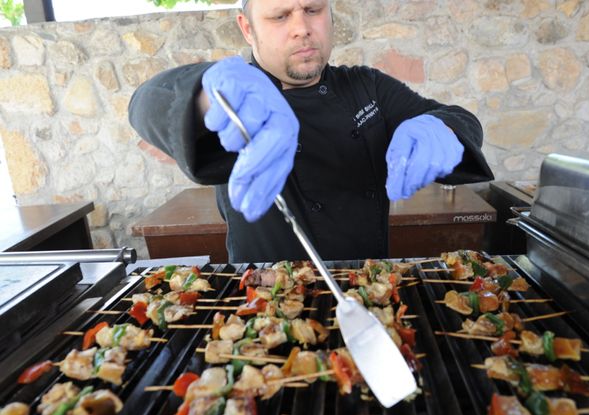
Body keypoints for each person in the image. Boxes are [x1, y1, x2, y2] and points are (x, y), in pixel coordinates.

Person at [128, 0, 493, 263]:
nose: (302, 27)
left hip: (366, 288)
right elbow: (145, 105)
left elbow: (459, 119)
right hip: (265, 297)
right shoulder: (235, 95)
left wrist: (442, 129)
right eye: (280, 15)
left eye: (313, 10)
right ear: (247, 27)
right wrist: (205, 97)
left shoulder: (367, 87)